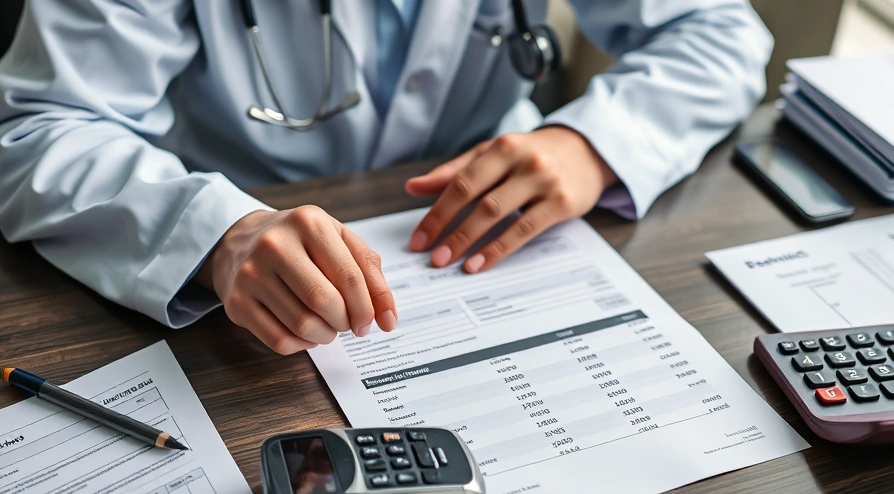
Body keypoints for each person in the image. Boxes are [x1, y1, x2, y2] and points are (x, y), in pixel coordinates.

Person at [0, 0, 773, 354]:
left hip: (495, 239)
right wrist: (218, 235)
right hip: (240, 268)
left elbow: (722, 32)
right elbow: (36, 128)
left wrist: (591, 141)